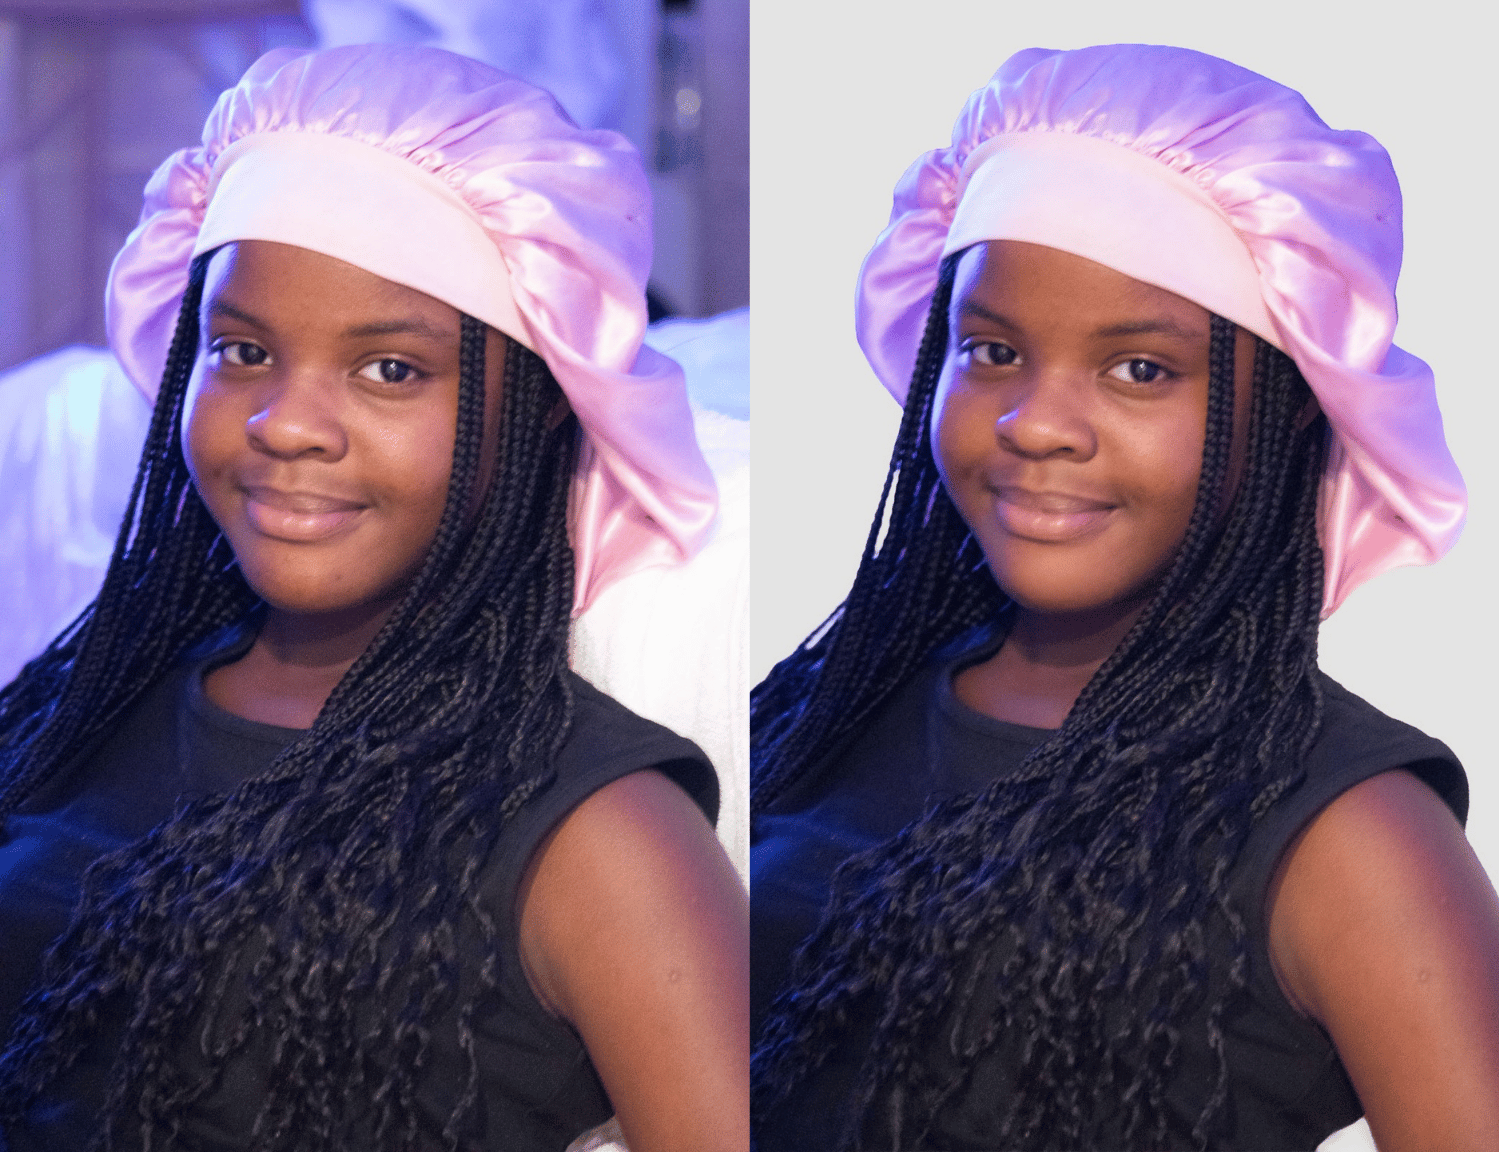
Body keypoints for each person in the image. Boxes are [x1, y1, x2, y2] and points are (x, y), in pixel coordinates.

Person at [750, 44, 1499, 1152]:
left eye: (1139, 369)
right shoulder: (830, 704)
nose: (1035, 422)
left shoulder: (1347, 828)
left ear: (1293, 402)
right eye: (991, 350)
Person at [0, 45, 747, 1152]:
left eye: (389, 369)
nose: (285, 423)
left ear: (542, 403)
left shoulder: (596, 830)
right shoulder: (83, 697)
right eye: (241, 350)